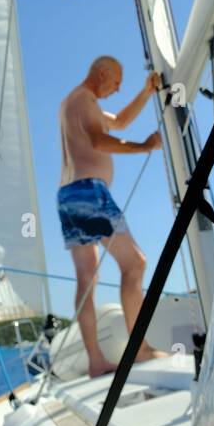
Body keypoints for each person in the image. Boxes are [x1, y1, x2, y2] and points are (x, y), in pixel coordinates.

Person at [57, 55, 169, 378]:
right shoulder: (85, 99)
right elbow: (99, 139)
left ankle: (96, 362)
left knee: (86, 279)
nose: (119, 88)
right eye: (117, 81)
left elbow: (118, 121)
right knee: (135, 263)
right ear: (102, 73)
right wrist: (144, 146)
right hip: (90, 193)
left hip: (67, 197)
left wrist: (147, 92)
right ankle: (142, 350)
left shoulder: (73, 103)